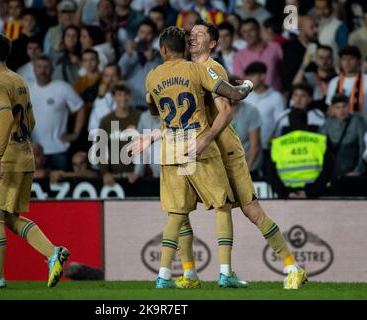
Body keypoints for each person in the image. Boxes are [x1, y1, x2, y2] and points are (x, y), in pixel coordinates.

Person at [131, 22, 306, 290]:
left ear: (212, 44)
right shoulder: (189, 71)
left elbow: (225, 112)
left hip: (223, 150)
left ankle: (292, 266)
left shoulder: (211, 68)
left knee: (252, 211)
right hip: (197, 149)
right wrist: (153, 136)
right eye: (191, 34)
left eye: (200, 34)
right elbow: (176, 121)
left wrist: (206, 139)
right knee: (182, 211)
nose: (193, 37)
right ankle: (189, 273)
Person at [142, 26, 253, 289]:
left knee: (176, 214)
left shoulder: (152, 76)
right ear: (184, 48)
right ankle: (225, 272)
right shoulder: (197, 69)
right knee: (222, 205)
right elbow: (234, 94)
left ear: (163, 50)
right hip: (199, 146)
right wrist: (247, 85)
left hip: (170, 151)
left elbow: (154, 111)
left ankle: (163, 275)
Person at [0, 33, 69, 289]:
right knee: (7, 216)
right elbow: (31, 120)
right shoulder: (19, 80)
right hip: (25, 155)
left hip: (8, 158)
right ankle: (52, 252)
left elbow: (4, 119)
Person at [29, 54, 85, 171]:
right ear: (34, 69)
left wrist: (76, 133)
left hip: (59, 149)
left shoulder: (63, 87)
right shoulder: (26, 89)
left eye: (46, 67)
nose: (42, 70)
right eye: (39, 67)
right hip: (34, 152)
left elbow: (81, 107)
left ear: (52, 70)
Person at [266, 107, 333, 199]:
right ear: (306, 121)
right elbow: (328, 170)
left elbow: (271, 174)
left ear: (289, 122)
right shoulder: (319, 141)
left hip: (288, 196)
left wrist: (286, 193)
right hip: (316, 195)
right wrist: (311, 192)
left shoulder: (277, 144)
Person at [98, 81, 141, 186]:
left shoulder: (139, 117)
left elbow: (148, 147)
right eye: (119, 95)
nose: (123, 98)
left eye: (126, 94)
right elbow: (101, 150)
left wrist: (139, 172)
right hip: (113, 176)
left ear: (130, 96)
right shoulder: (106, 121)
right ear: (113, 97)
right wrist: (105, 173)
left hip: (136, 176)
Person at [118, 19, 162, 108]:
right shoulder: (129, 53)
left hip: (149, 107)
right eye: (142, 32)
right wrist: (128, 54)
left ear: (154, 36)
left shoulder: (159, 57)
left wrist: (151, 61)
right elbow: (120, 73)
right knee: (114, 121)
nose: (144, 36)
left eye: (148, 33)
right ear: (137, 33)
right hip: (128, 104)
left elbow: (159, 82)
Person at [320, 94, 366, 178]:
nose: (341, 111)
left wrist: (358, 170)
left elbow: (363, 147)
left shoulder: (358, 121)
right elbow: (320, 148)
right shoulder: (327, 124)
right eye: (337, 107)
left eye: (344, 106)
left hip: (354, 172)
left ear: (349, 107)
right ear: (333, 108)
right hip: (333, 172)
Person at [243, 62, 285, 153]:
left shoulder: (276, 97)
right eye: (249, 76)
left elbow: (280, 122)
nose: (249, 79)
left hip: (270, 148)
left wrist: (275, 138)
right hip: (249, 148)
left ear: (263, 76)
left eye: (253, 75)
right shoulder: (245, 97)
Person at [233, 18, 283, 91]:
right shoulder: (238, 56)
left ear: (259, 30)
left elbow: (285, 72)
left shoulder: (275, 47)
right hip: (251, 100)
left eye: (251, 30)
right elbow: (240, 83)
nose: (248, 35)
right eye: (244, 32)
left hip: (275, 96)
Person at [325, 46, 367, 122]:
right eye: (344, 59)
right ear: (340, 62)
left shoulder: (366, 80)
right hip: (341, 127)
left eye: (351, 58)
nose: (347, 62)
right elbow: (330, 108)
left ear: (358, 61)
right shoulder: (334, 82)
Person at [293, 45, 337, 110]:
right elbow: (295, 85)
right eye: (321, 58)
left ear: (332, 59)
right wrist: (304, 65)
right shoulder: (309, 76)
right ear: (315, 59)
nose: (325, 61)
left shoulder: (337, 78)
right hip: (313, 112)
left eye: (328, 58)